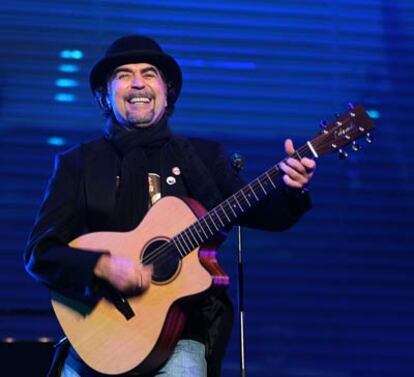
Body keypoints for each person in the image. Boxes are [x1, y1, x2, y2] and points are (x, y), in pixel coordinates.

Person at [24, 35, 316, 377]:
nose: (137, 83)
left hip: (180, 336)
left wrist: (291, 189)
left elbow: (265, 215)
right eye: (123, 74)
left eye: (149, 73)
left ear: (167, 92)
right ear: (105, 94)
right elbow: (40, 254)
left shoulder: (204, 158)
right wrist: (101, 266)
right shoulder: (79, 164)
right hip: (96, 334)